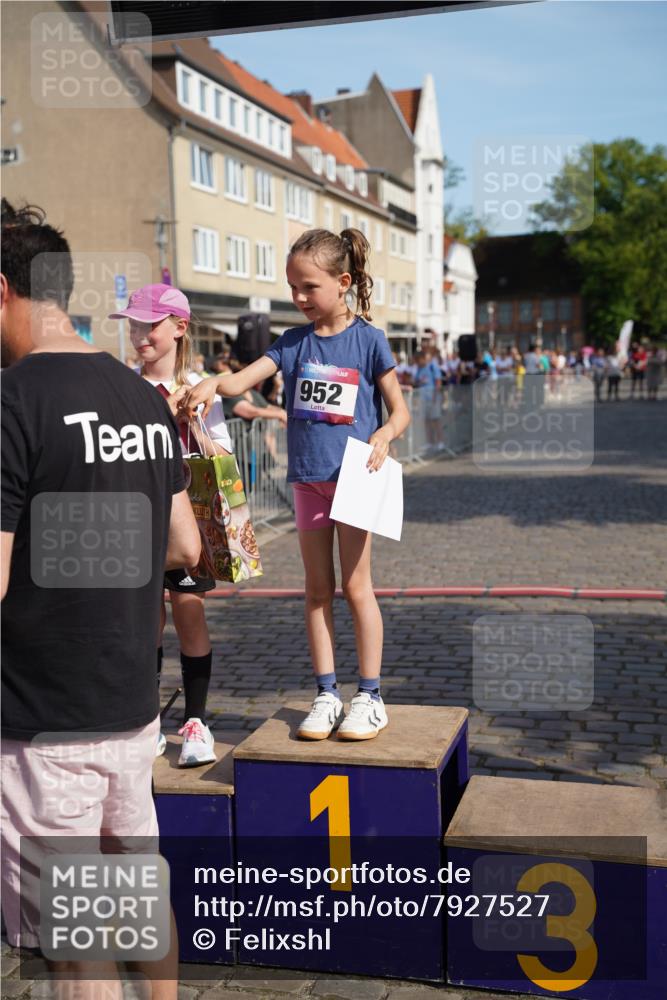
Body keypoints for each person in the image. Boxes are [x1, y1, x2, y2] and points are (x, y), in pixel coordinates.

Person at [0, 201, 200, 995]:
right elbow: (185, 547)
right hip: (129, 704)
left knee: (77, 942)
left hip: (42, 717)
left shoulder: (12, 401)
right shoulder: (139, 396)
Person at [183, 228, 410, 741]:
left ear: (343, 282)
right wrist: (208, 383)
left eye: (309, 286)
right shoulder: (291, 342)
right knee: (316, 590)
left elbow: (400, 411)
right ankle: (326, 693)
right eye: (292, 287)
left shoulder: (368, 340)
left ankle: (370, 696)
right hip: (308, 481)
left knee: (356, 587)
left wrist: (384, 434)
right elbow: (239, 381)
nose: (299, 297)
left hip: (355, 478)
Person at [109, 284, 233, 767]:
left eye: (150, 325)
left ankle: (197, 721)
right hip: (135, 514)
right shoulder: (122, 384)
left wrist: (194, 423)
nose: (140, 335)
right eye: (134, 326)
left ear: (179, 327)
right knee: (145, 619)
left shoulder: (200, 386)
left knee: (188, 610)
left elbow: (223, 456)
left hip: (188, 517)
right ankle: (147, 721)